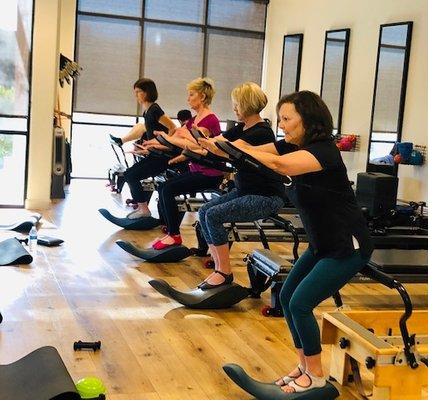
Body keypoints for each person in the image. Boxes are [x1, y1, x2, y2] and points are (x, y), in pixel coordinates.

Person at [225, 91, 373, 394]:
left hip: (347, 246)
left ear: (308, 120)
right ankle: (304, 367)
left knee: (301, 303)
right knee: (288, 296)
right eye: (279, 119)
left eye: (287, 119)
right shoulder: (292, 146)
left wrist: (241, 149)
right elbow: (256, 151)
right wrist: (221, 147)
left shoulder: (323, 152)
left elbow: (280, 165)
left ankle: (317, 377)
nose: (281, 125)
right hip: (322, 244)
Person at [193, 82, 285, 288]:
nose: (234, 108)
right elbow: (218, 141)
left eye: (237, 104)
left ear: (247, 105)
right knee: (205, 211)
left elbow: (227, 147)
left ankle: (224, 272)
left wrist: (209, 143)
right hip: (245, 190)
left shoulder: (261, 132)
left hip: (266, 197)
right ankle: (219, 268)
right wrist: (201, 141)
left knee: (214, 215)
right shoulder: (242, 128)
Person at [146, 77, 225, 249]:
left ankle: (173, 234)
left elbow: (195, 144)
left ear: (202, 97)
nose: (187, 98)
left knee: (166, 189)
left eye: (191, 94)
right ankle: (171, 232)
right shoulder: (192, 120)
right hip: (196, 170)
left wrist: (168, 138)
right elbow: (176, 139)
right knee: (164, 187)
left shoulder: (209, 120)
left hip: (210, 173)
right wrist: (153, 144)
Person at [109, 78, 177, 219]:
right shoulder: (147, 112)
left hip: (162, 157)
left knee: (131, 175)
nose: (136, 95)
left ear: (147, 92)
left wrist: (165, 146)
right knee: (129, 174)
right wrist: (149, 148)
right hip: (154, 154)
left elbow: (172, 127)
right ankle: (142, 208)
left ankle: (143, 210)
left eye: (138, 92)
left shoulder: (155, 110)